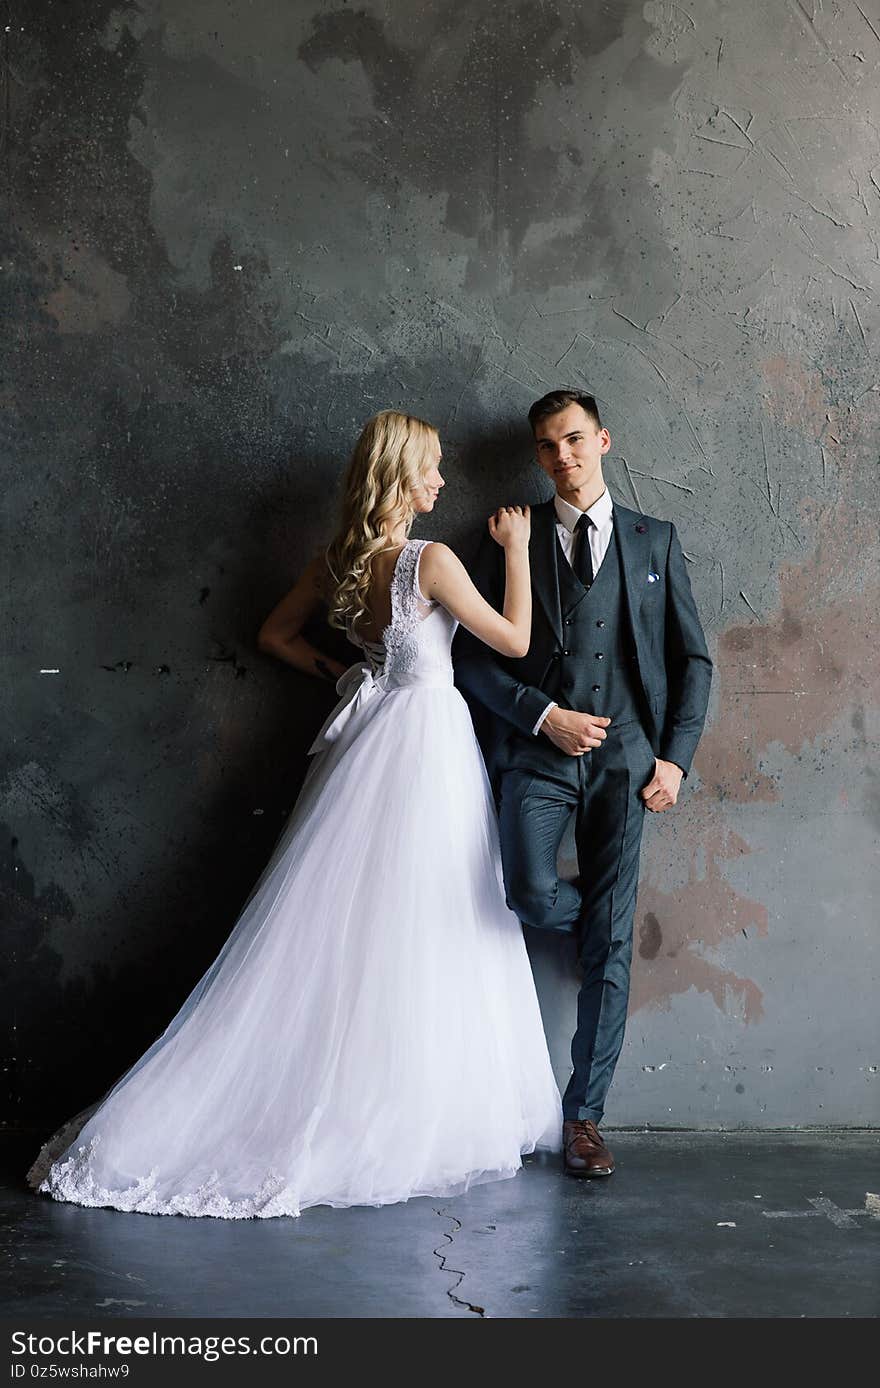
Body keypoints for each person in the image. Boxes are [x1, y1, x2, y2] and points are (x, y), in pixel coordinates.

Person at [25, 409, 562, 1219]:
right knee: (427, 921)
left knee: (346, 926)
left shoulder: (337, 565)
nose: (443, 483)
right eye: (432, 469)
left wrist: (345, 673)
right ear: (400, 476)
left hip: (367, 744)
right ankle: (403, 1104)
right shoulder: (432, 560)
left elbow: (275, 634)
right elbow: (517, 643)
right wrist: (520, 550)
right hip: (423, 750)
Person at [453, 389, 712, 1179]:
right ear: (537, 456)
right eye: (546, 446)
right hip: (539, 755)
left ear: (602, 439)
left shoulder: (654, 539)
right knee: (528, 893)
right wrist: (541, 715)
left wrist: (674, 759)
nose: (561, 457)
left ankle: (585, 1119)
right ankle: (600, 933)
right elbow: (470, 661)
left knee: (608, 936)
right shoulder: (508, 539)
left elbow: (691, 660)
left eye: (573, 440)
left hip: (629, 761)